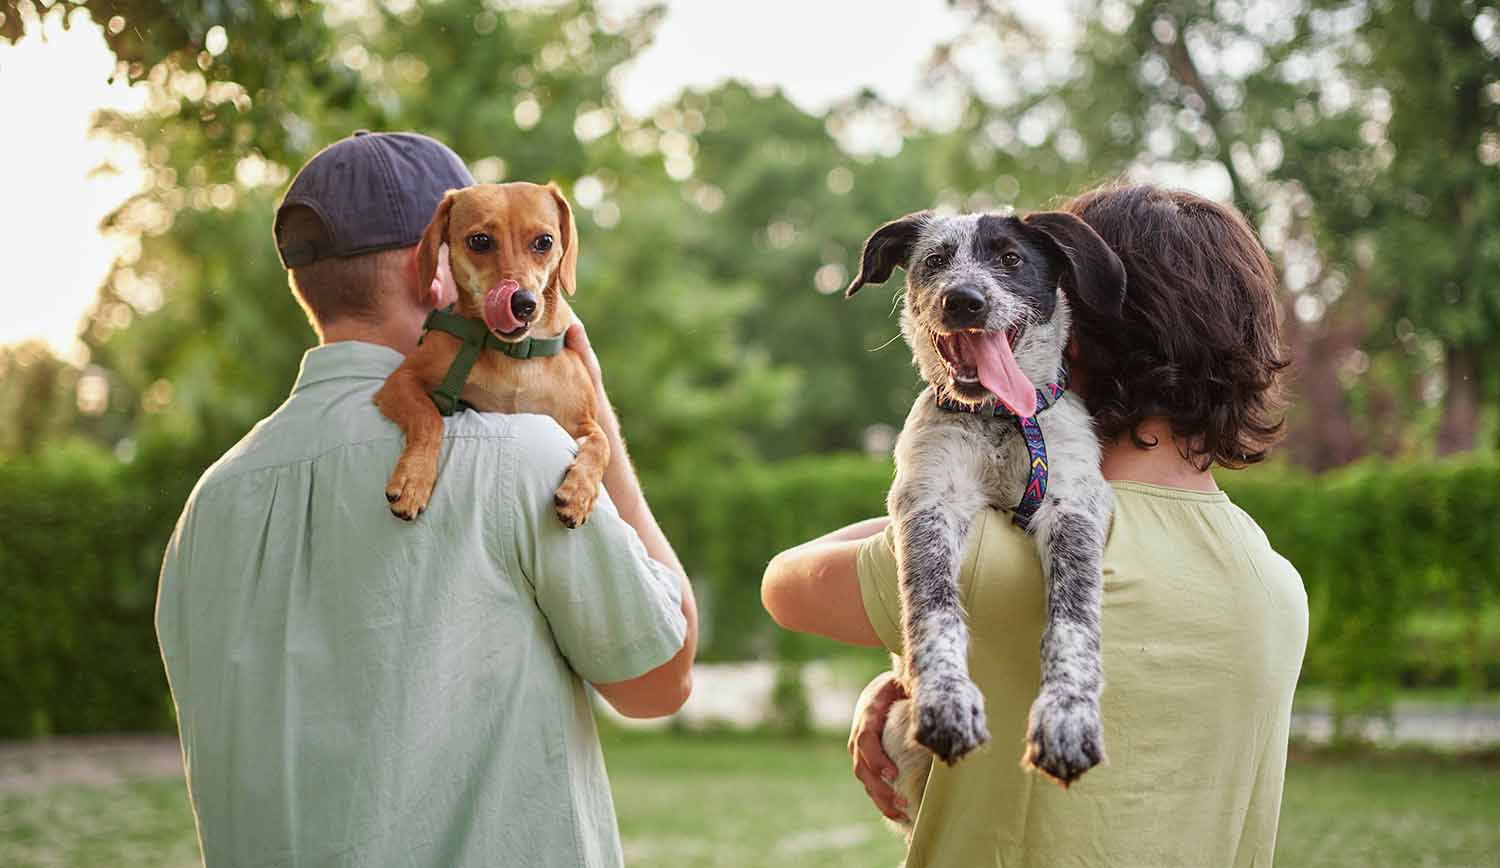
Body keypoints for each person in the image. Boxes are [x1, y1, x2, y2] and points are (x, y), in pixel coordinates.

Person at [155, 130, 698, 868]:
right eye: (483, 244)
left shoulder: (207, 506)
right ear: (434, 273)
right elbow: (662, 678)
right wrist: (595, 411)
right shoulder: (523, 457)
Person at [762, 184, 1308, 867]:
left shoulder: (988, 562)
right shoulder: (1278, 586)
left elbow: (786, 584)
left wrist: (911, 655)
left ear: (1077, 330)